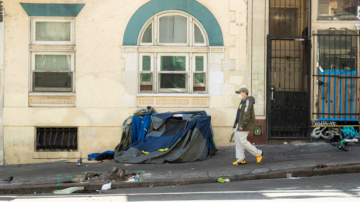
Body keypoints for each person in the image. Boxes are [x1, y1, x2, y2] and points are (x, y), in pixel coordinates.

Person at [232, 87, 263, 165]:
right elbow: (240, 113)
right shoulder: (242, 101)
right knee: (238, 141)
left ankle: (258, 153)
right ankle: (241, 159)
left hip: (244, 124)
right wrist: (237, 123)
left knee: (243, 141)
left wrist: (242, 124)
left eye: (240, 93)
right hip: (239, 123)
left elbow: (246, 114)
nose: (239, 94)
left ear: (244, 93)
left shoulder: (248, 101)